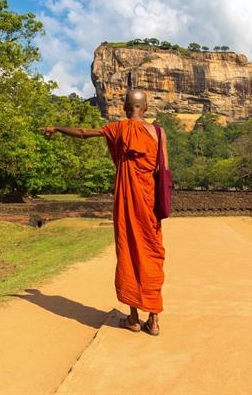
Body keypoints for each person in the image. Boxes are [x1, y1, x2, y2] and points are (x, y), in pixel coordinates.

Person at [40, 89, 167, 336]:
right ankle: (154, 321)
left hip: (129, 202)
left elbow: (84, 133)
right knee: (152, 255)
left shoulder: (118, 128)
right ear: (147, 108)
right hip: (149, 205)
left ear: (124, 106)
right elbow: (164, 172)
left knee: (129, 251)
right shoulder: (158, 132)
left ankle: (133, 318)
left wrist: (56, 127)